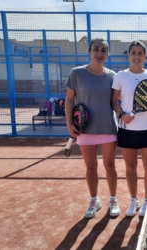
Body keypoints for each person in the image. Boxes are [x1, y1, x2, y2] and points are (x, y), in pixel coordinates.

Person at [111, 40, 147, 217]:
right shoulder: (120, 76)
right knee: (130, 167)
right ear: (128, 55)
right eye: (133, 53)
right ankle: (133, 199)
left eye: (140, 53)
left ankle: (146, 200)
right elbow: (114, 100)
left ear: (145, 56)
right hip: (127, 129)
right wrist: (121, 114)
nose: (136, 56)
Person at [65, 38, 119, 218]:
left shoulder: (112, 76)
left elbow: (115, 102)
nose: (99, 53)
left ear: (107, 53)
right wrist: (70, 123)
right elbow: (70, 99)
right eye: (96, 49)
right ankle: (94, 200)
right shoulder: (77, 73)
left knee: (110, 166)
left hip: (108, 127)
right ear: (89, 51)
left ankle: (113, 200)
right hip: (85, 130)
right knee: (91, 167)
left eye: (103, 50)